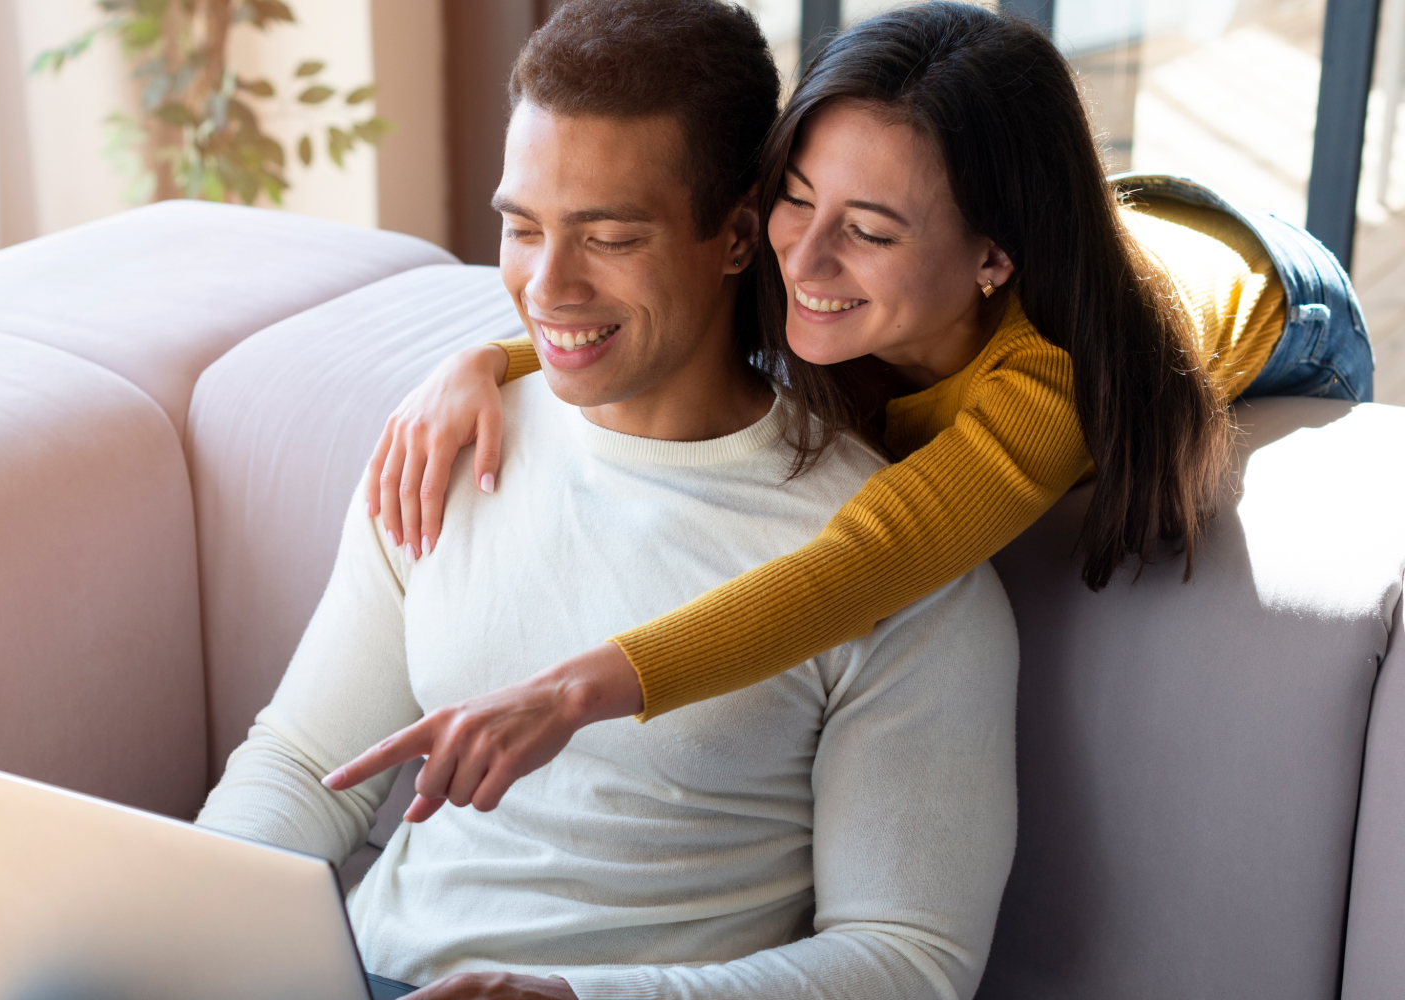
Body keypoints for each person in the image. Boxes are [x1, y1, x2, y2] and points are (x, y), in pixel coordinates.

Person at [329, 0, 1377, 824]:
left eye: (866, 230)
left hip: (1280, 298)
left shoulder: (1047, 382)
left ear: (989, 257)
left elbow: (862, 562)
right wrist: (481, 359)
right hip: (1097, 212)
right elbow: (650, 312)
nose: (806, 259)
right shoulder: (802, 251)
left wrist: (568, 693)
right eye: (794, 198)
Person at [197, 3, 1019, 999]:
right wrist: (186, 930)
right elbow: (302, 762)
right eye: (519, 226)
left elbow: (907, 956)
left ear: (734, 236)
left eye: (610, 237)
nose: (546, 286)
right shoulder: (449, 441)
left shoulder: (900, 572)